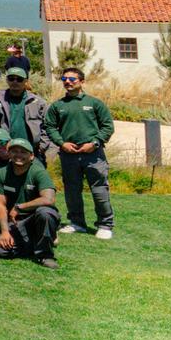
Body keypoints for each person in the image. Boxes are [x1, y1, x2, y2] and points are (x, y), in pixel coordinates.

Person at [45, 66, 115, 239]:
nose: (67, 82)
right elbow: (50, 127)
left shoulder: (94, 103)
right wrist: (61, 143)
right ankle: (77, 223)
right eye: (64, 79)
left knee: (99, 190)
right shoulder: (57, 106)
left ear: (82, 82)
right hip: (69, 155)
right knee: (72, 191)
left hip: (93, 155)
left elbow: (107, 126)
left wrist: (94, 142)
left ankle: (105, 224)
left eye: (72, 79)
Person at [0, 138, 60, 268]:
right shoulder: (1, 174)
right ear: (9, 154)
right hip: (17, 221)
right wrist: (5, 231)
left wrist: (20, 207)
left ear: (31, 156)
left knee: (45, 212)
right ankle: (35, 242)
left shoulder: (39, 172)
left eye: (23, 152)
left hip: (37, 217)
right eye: (14, 151)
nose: (18, 155)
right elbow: (0, 205)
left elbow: (49, 199)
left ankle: (46, 255)